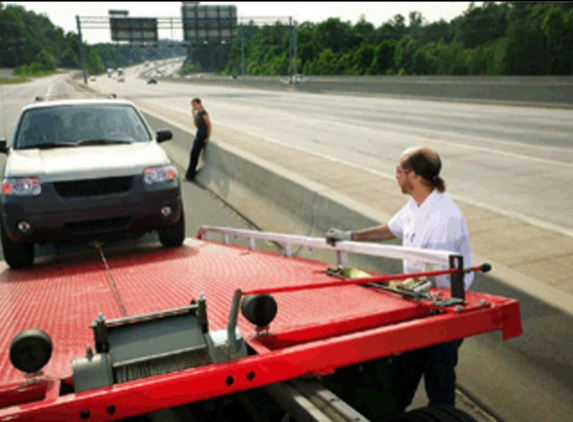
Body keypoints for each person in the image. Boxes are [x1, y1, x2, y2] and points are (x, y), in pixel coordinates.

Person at [325, 146, 472, 411]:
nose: (395, 175)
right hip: (419, 301)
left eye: (398, 170)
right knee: (408, 367)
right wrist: (350, 236)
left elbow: (442, 278)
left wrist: (405, 292)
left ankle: (443, 414)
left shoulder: (443, 217)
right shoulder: (417, 204)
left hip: (443, 308)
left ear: (413, 175)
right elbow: (390, 230)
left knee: (439, 375)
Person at [186, 98, 212, 181]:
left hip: (202, 136)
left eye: (195, 105)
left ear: (199, 104)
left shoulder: (204, 113)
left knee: (195, 154)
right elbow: (197, 125)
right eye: (193, 105)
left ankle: (190, 175)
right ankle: (190, 174)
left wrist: (208, 137)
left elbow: (209, 126)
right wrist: (193, 114)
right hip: (198, 134)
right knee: (193, 154)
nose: (194, 106)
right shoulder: (198, 114)